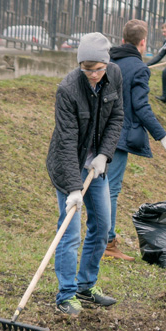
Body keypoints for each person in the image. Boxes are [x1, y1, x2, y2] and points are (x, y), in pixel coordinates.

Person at [46, 32, 124, 316]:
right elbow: (66, 142)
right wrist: (74, 188)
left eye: (97, 69)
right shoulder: (68, 89)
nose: (92, 75)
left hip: (96, 164)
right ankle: (66, 295)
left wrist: (104, 154)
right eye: (86, 69)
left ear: (106, 63)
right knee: (70, 230)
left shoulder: (114, 75)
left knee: (102, 225)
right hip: (68, 164)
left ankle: (85, 287)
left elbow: (117, 117)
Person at [105, 20, 166, 261]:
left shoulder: (109, 62)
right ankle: (107, 243)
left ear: (122, 39)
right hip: (118, 137)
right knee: (111, 190)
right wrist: (162, 137)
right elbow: (141, 106)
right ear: (142, 42)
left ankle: (102, 239)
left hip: (100, 133)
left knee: (101, 187)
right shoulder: (139, 68)